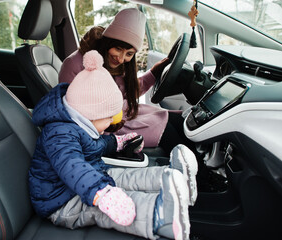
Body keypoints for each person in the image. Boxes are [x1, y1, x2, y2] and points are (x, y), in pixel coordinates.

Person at [29, 50, 198, 240]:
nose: (111, 122)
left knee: (124, 176)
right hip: (61, 202)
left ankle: (173, 177)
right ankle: (158, 216)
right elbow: (72, 167)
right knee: (110, 207)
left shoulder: (79, 123)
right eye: (108, 117)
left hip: (87, 180)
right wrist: (102, 193)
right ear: (90, 113)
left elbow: (94, 147)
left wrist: (117, 142)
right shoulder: (58, 133)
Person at [58, 8, 192, 154]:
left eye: (129, 54)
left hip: (127, 112)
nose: (121, 59)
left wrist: (155, 72)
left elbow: (126, 91)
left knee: (181, 122)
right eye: (118, 49)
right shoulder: (74, 64)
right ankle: (199, 174)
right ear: (108, 41)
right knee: (171, 134)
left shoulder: (115, 63)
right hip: (106, 126)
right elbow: (71, 112)